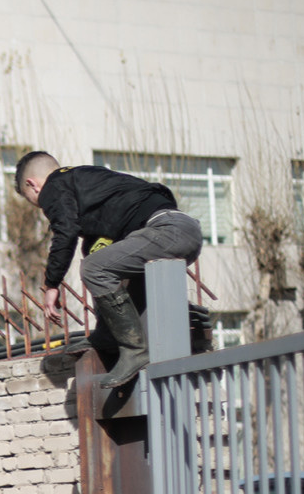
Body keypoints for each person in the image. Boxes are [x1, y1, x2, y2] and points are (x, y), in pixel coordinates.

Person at [15, 150, 204, 388]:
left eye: (32, 200)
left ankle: (134, 349)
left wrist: (51, 284)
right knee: (98, 257)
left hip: (166, 230)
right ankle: (108, 335)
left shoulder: (54, 186)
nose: (40, 207)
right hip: (180, 228)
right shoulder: (87, 179)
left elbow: (66, 231)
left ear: (33, 185)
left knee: (94, 268)